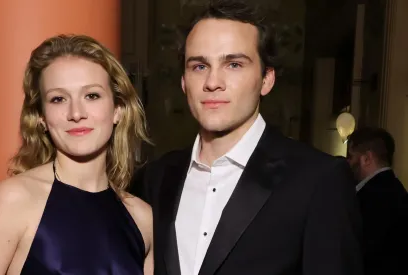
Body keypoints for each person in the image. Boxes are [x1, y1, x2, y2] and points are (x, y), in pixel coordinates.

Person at [130, 0, 363, 274]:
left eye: (234, 65)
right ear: (183, 81)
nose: (213, 82)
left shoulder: (319, 181)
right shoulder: (155, 179)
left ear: (267, 80)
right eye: (199, 66)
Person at [0, 34, 153, 274]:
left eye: (92, 95)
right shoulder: (14, 200)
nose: (76, 113)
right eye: (58, 99)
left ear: (118, 110)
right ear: (41, 118)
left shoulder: (142, 218)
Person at [347, 127, 408, 275]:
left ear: (367, 158)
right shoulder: (397, 190)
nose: (348, 162)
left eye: (350, 156)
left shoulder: (371, 198)